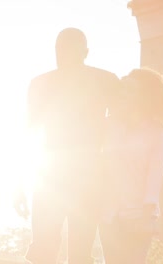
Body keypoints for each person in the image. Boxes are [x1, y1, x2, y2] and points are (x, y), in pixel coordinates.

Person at [20, 27, 121, 264]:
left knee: (71, 251)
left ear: (85, 52)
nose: (62, 55)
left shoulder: (105, 81)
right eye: (60, 49)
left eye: (67, 50)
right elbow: (27, 133)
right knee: (51, 250)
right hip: (58, 177)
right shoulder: (104, 79)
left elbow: (121, 127)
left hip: (72, 177)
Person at [99, 68, 163, 264]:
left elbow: (155, 175)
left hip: (139, 217)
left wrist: (147, 214)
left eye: (129, 90)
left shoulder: (157, 132)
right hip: (109, 215)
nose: (123, 94)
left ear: (143, 96)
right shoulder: (108, 125)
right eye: (122, 89)